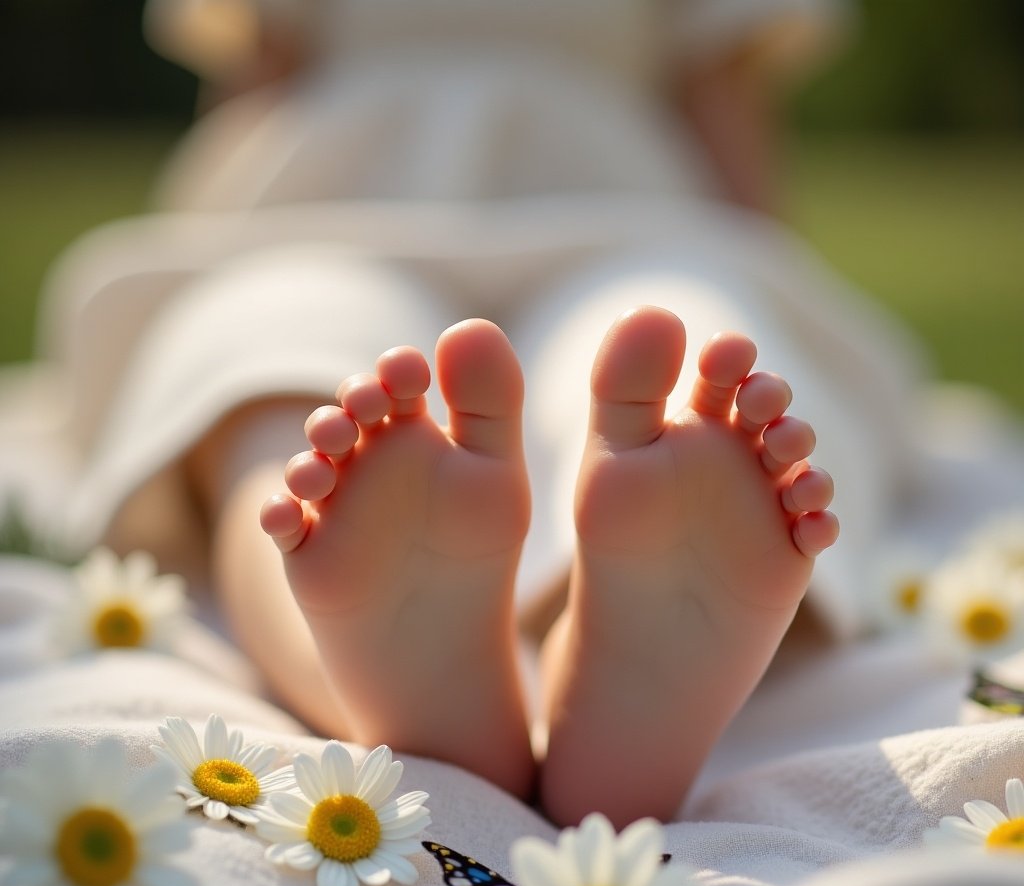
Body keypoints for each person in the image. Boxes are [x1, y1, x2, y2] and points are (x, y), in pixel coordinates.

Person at [30, 0, 920, 826]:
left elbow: (253, 87)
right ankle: (463, 666)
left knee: (289, 367)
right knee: (285, 343)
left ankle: (580, 654)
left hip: (531, 210)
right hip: (408, 210)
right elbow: (726, 110)